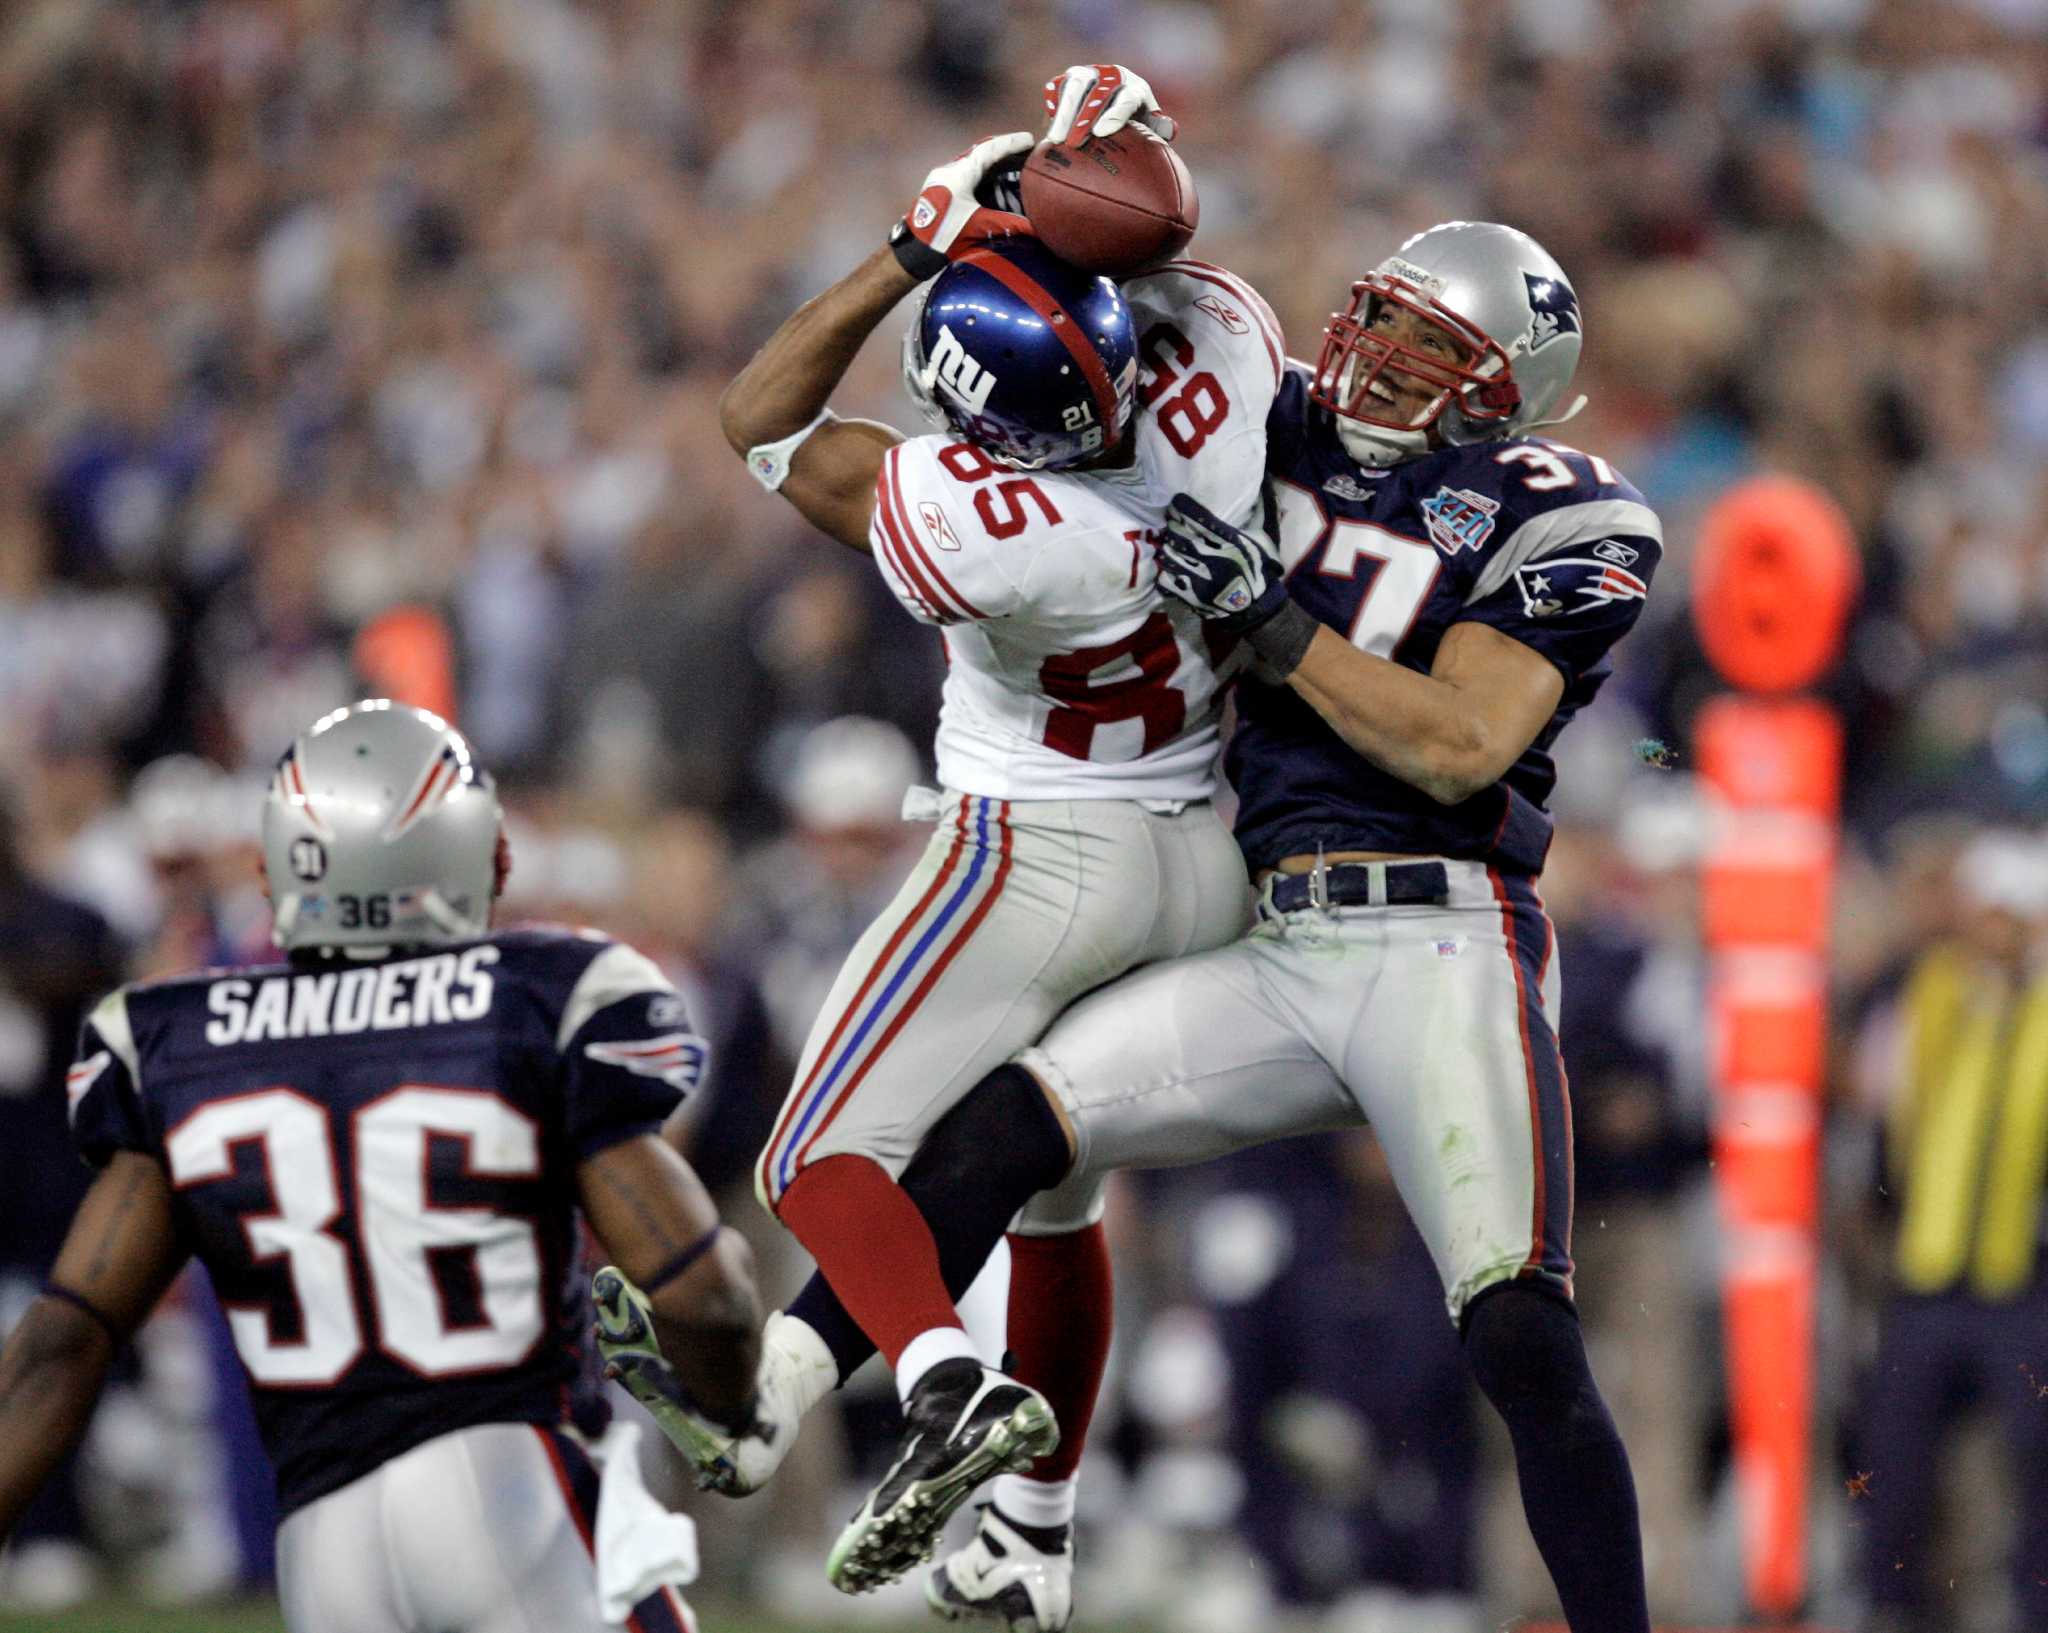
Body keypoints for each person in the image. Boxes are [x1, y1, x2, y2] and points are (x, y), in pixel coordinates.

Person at [686, 174, 1667, 1630]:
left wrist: (1274, 624)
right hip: (1271, 931)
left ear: (1495, 390)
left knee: (1518, 1330)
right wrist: (1038, 215)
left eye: (1415, 344)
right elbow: (1086, 364)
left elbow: (1461, 740)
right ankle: (814, 1396)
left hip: (1445, 934)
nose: (1369, 355)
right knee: (1008, 1124)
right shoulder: (1269, 420)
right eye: (1376, 319)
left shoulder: (1567, 509)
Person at [614, 64, 1284, 1595]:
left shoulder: (986, 524)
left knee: (811, 1158)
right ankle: (1031, 1540)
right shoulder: (1230, 347)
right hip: (1200, 840)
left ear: (978, 418)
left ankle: (940, 1383)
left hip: (1040, 847)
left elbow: (760, 416)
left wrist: (917, 250)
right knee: (1056, 1191)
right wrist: (1104, 165)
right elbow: (1159, 250)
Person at [0, 700, 763, 1633]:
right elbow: (700, 1291)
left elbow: (60, 1341)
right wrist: (732, 1405)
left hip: (321, 1543)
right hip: (512, 1484)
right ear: (470, 855)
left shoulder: (183, 1043)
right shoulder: (532, 1000)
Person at [1848, 830, 2048, 1633]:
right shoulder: (1923, 993)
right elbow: (1879, 1107)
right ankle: (1892, 1602)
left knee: (2034, 1459)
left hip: (2021, 1273)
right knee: (1893, 1452)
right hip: (1926, 1267)